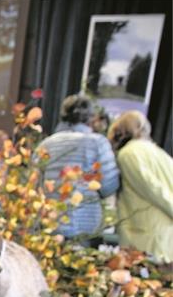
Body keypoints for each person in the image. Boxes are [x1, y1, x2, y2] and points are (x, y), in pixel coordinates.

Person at [35, 94, 120, 242]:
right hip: (84, 225)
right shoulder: (97, 143)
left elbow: (34, 186)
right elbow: (109, 186)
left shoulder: (46, 144)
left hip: (49, 224)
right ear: (91, 118)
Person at [107, 111, 173, 263]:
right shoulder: (160, 153)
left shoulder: (129, 154)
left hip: (147, 235)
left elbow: (153, 189)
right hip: (165, 234)